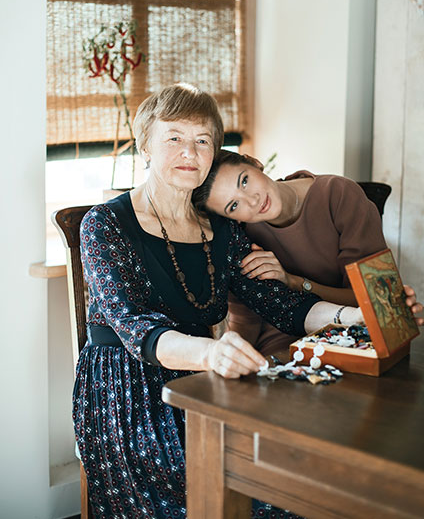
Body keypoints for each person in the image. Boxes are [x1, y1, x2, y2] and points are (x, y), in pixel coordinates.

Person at [73, 83, 359, 518]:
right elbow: (136, 329)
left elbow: (286, 305)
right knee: (267, 497)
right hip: (126, 397)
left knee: (311, 471)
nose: (190, 151)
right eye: (174, 138)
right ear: (145, 145)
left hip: (205, 383)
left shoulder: (221, 231)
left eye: (202, 140)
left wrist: (356, 317)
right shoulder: (105, 225)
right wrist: (213, 352)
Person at [191, 150, 424, 356]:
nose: (252, 201)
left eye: (244, 181)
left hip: (356, 336)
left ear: (254, 163)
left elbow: (375, 299)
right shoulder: (242, 237)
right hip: (283, 348)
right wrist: (224, 363)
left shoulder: (339, 194)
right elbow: (245, 321)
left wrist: (293, 282)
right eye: (233, 206)